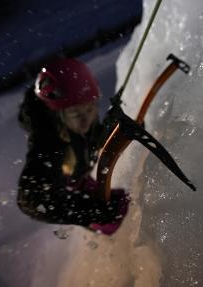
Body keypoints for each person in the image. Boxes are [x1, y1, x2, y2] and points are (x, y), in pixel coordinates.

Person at [17, 58, 129, 235]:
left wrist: (119, 129)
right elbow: (31, 199)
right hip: (65, 189)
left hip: (79, 174)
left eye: (90, 109)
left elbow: (94, 138)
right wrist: (90, 211)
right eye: (75, 113)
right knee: (111, 217)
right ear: (58, 114)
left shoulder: (80, 118)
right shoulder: (48, 143)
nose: (85, 119)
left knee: (121, 202)